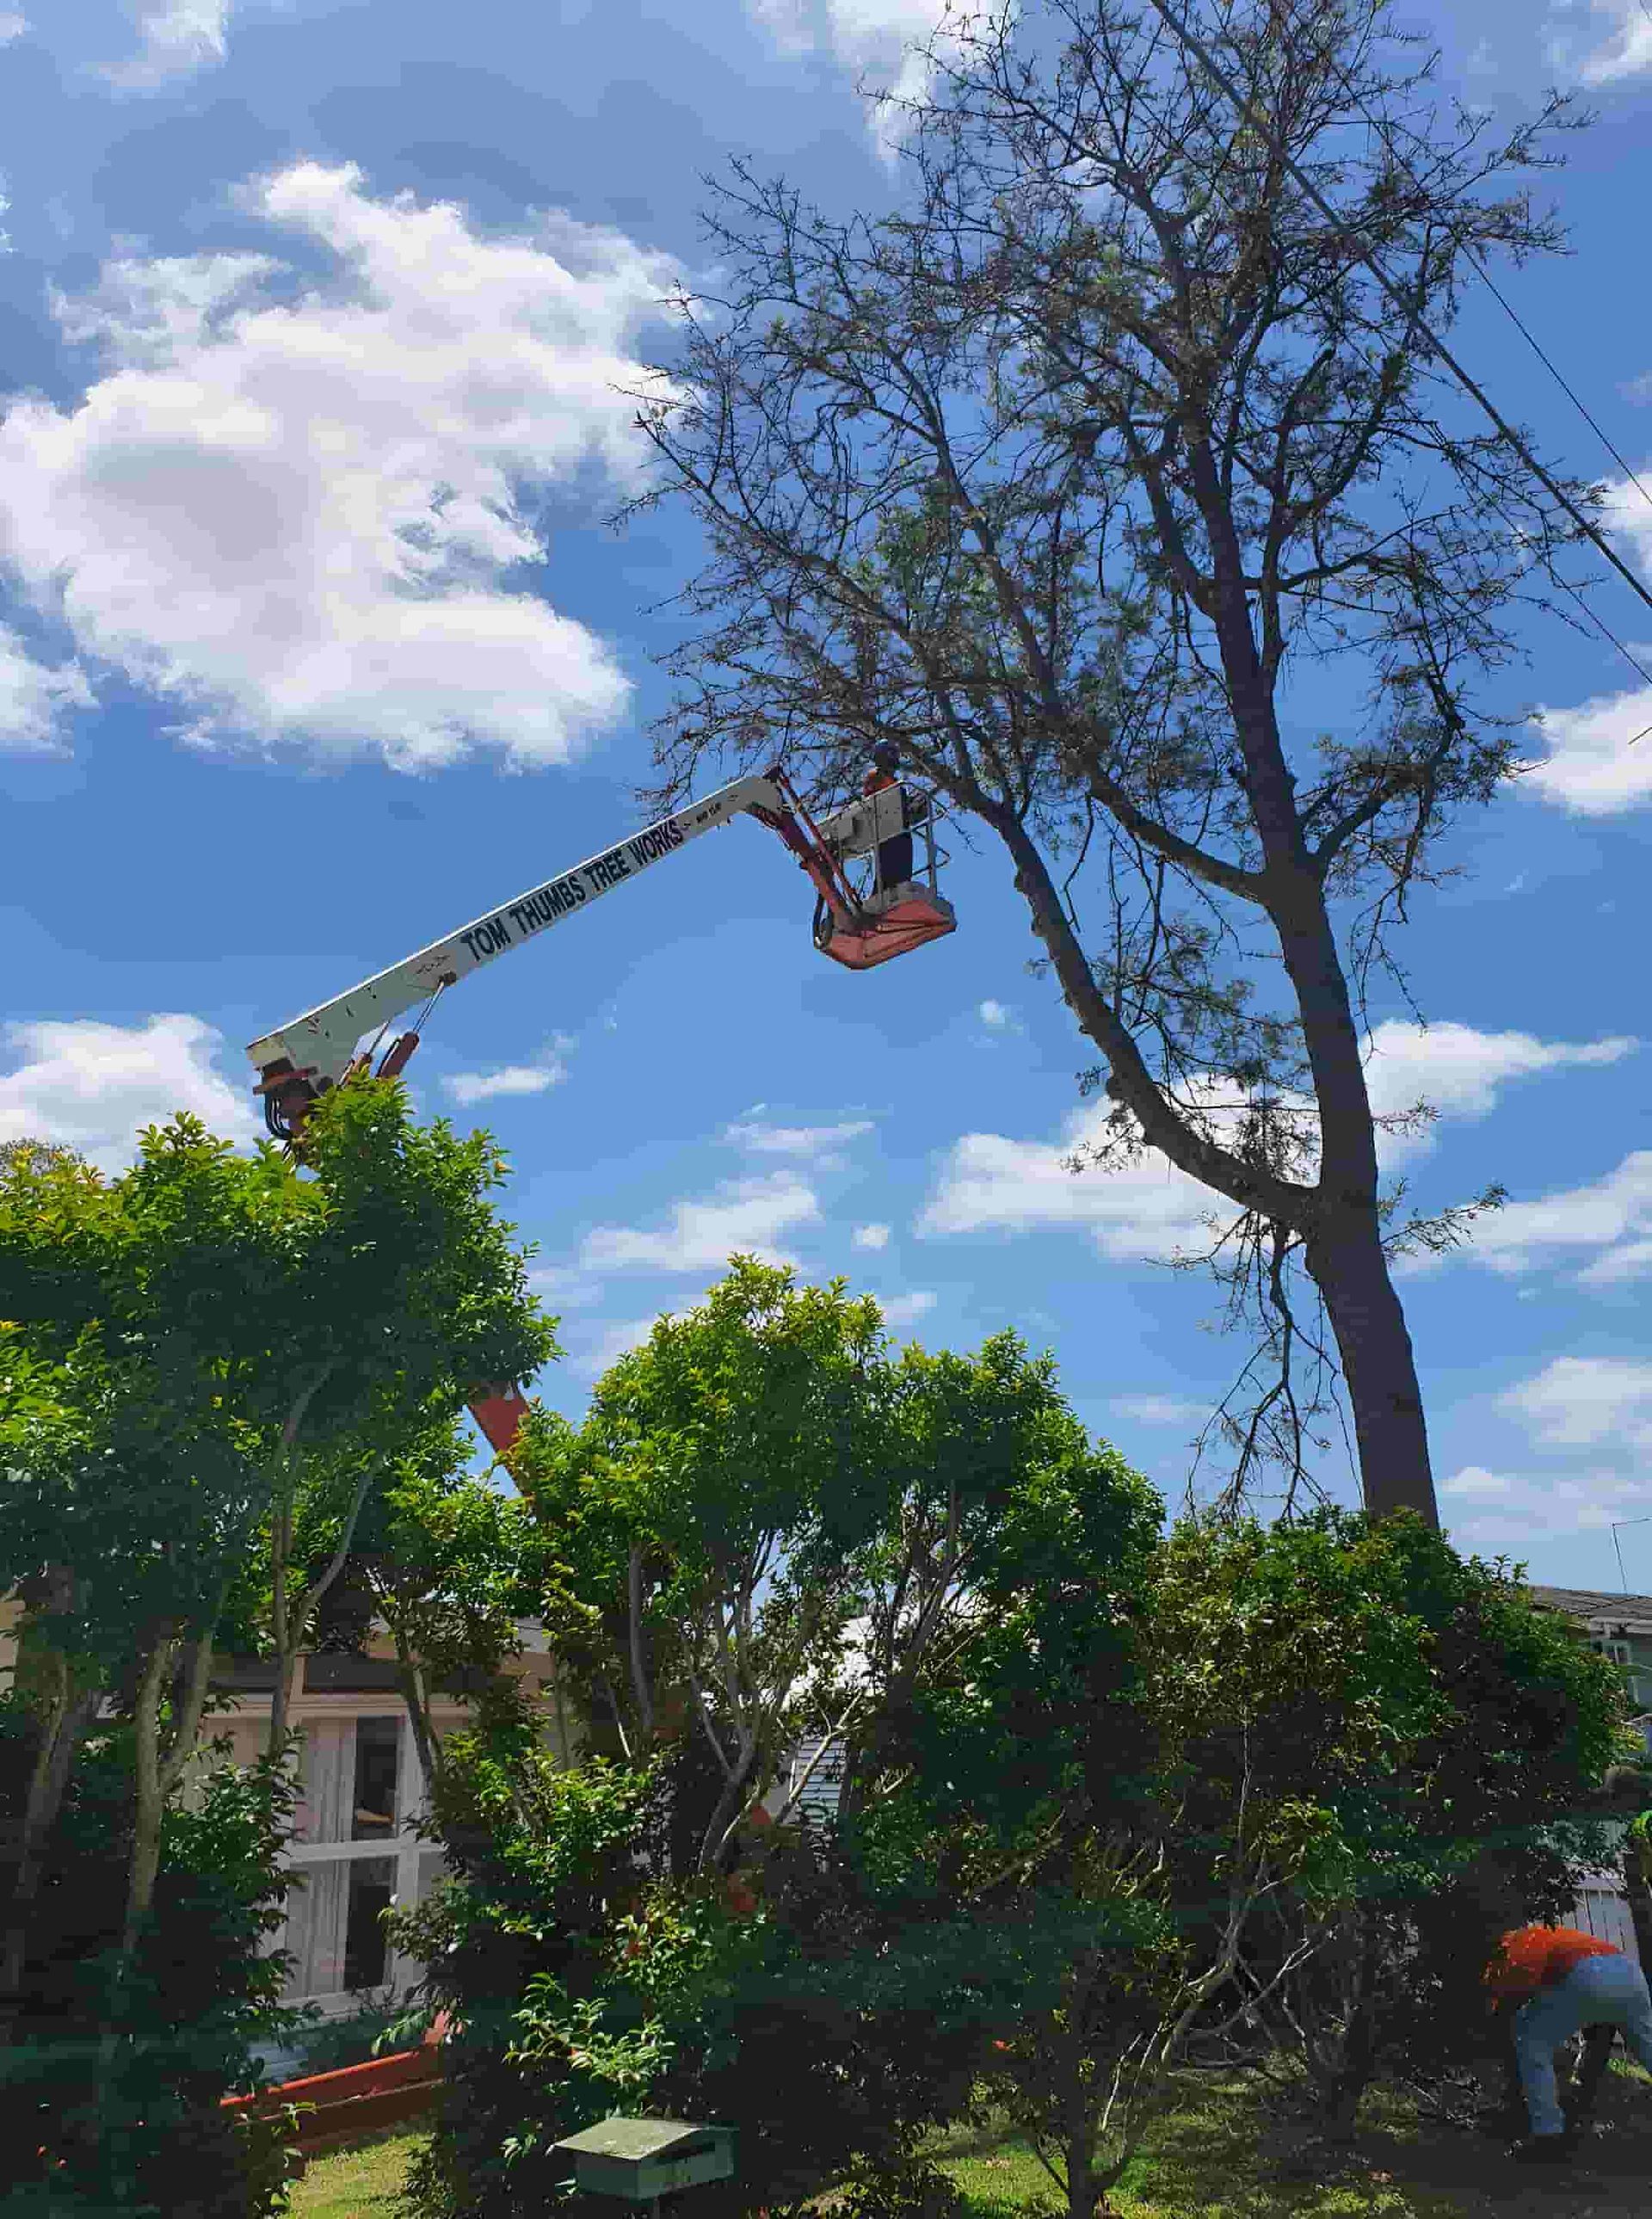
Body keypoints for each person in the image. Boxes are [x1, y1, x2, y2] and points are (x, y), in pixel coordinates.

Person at [1482, 1920, 1652, 2162]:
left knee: (1531, 2040)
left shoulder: (1514, 1945)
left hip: (1588, 1975)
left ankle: (1547, 2133)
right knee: (1647, 2050)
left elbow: (1516, 2000)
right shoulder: (1554, 1934)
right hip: (1630, 1974)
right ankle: (1576, 2107)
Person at [861, 743, 913, 895]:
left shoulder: (894, 780)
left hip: (899, 828)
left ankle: (900, 888)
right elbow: (874, 800)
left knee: (903, 865)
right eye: (890, 755)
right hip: (885, 828)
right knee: (887, 866)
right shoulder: (875, 776)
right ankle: (881, 894)